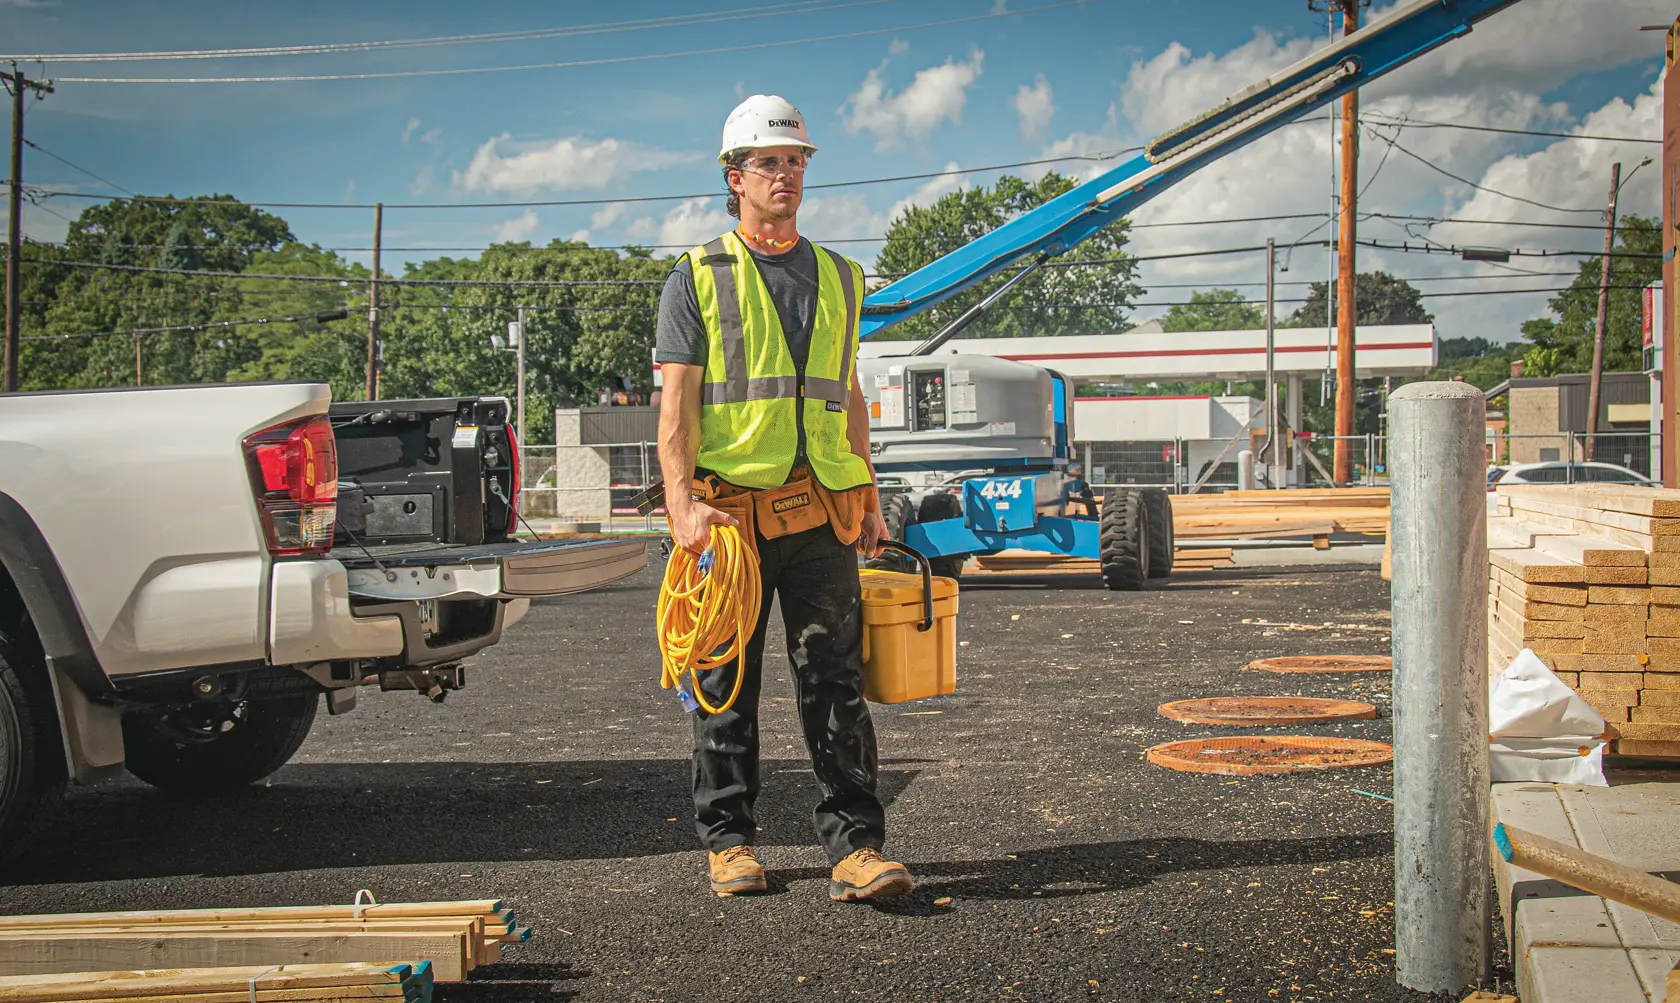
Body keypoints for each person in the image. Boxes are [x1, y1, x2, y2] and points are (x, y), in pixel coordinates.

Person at [653, 94, 914, 903]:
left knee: (834, 681)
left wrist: (867, 491)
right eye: (769, 162)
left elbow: (850, 395)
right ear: (734, 178)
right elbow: (677, 409)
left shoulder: (840, 275)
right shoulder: (696, 277)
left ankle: (857, 847)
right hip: (726, 518)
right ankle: (730, 843)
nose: (786, 175)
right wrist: (681, 507)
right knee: (724, 682)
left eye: (796, 161)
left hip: (821, 515)